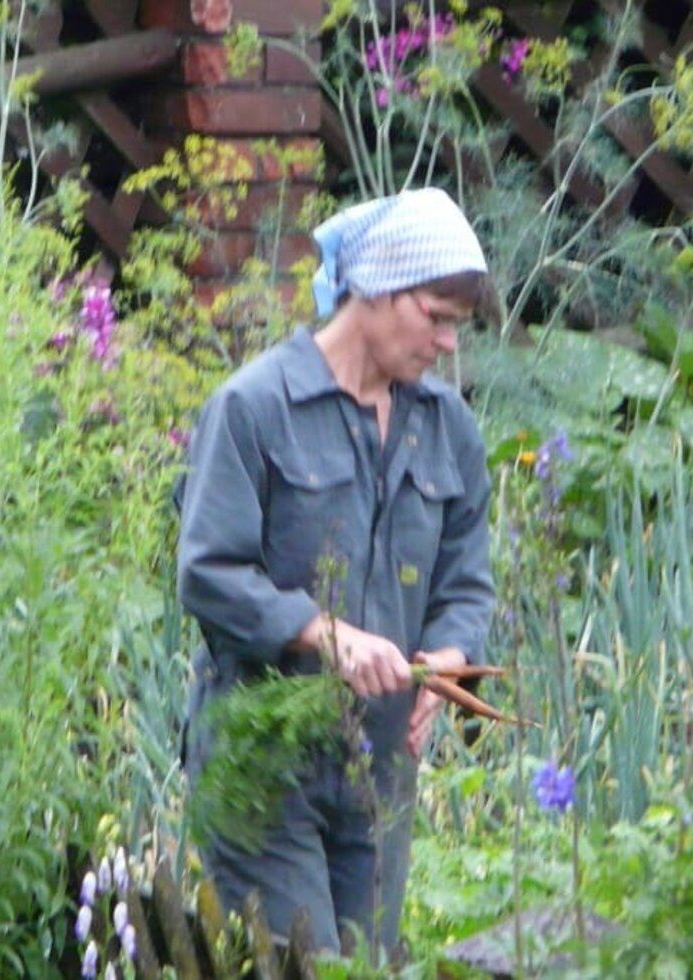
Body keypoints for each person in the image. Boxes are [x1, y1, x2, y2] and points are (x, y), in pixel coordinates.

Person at [177, 187, 496, 959]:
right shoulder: (255, 406)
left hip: (380, 770)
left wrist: (450, 657)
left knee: (369, 968)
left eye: (457, 323)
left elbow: (466, 579)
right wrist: (328, 637)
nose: (448, 344)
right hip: (263, 762)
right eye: (437, 315)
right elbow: (209, 572)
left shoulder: (445, 427)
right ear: (378, 288)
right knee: (309, 969)